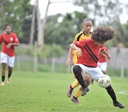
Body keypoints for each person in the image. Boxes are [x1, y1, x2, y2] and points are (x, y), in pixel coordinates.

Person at [67, 26, 125, 108]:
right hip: (82, 65)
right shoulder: (86, 41)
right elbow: (72, 45)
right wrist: (77, 48)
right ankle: (84, 87)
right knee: (76, 68)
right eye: (103, 42)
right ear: (97, 39)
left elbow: (101, 49)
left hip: (94, 67)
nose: (103, 44)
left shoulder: (100, 44)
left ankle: (115, 101)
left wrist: (107, 55)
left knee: (106, 83)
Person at [66, 18, 93, 104]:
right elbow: (72, 46)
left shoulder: (93, 35)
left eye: (90, 26)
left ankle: (75, 97)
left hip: (87, 60)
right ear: (83, 26)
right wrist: (69, 58)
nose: (89, 27)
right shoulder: (78, 36)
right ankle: (71, 87)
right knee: (84, 77)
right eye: (87, 26)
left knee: (88, 80)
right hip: (78, 59)